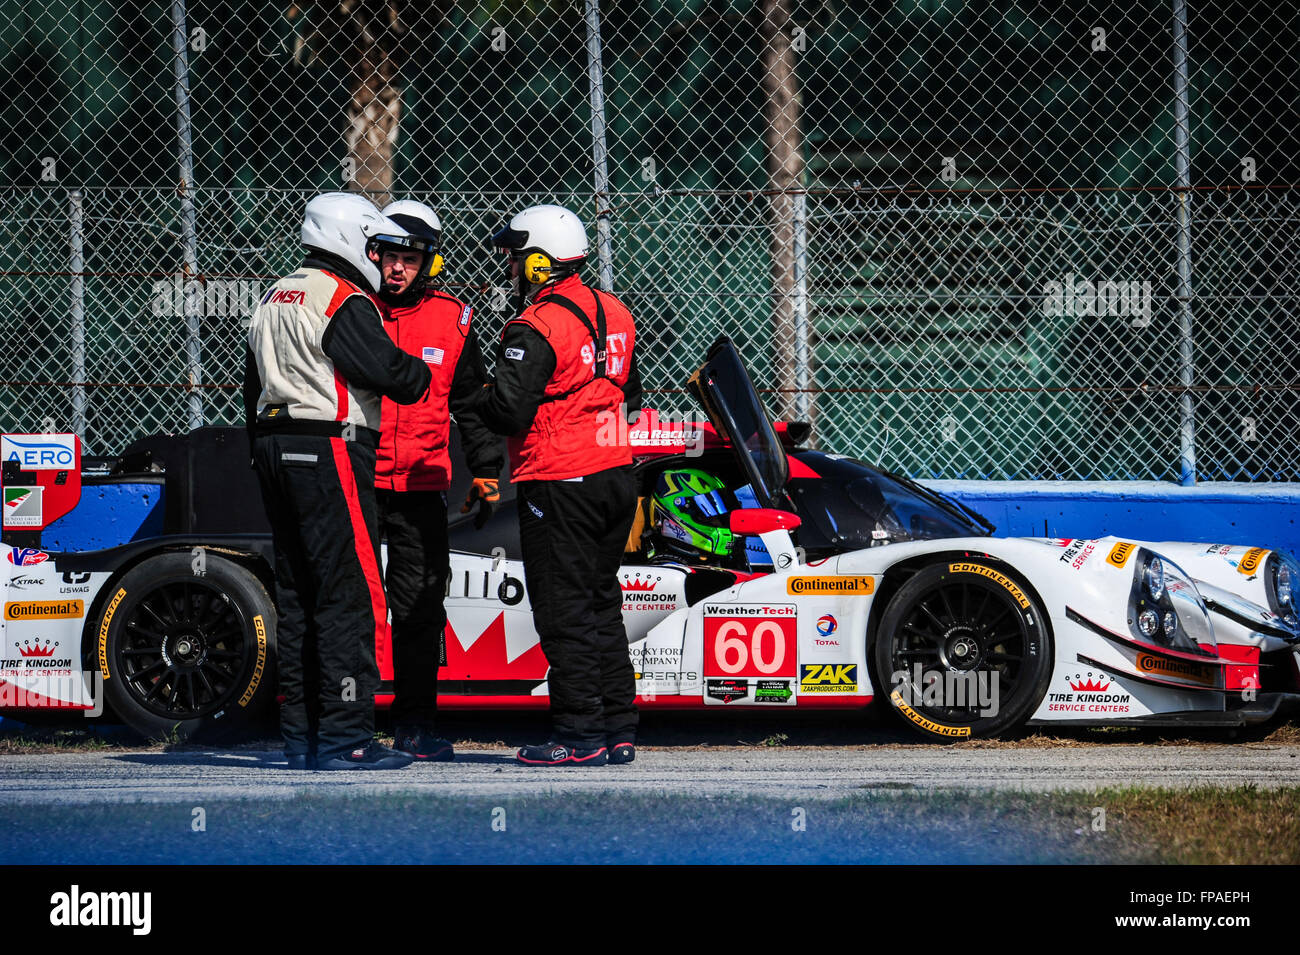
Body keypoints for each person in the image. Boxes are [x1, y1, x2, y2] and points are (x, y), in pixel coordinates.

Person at [244, 191, 432, 771]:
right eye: (375, 248)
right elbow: (392, 375)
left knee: (298, 596)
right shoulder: (344, 298)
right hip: (329, 447)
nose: (381, 261)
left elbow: (251, 386)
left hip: (271, 444)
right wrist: (421, 369)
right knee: (347, 595)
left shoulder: (272, 295)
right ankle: (348, 737)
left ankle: (302, 737)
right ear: (350, 239)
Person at [473, 204, 642, 766]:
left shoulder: (534, 324)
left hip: (559, 478)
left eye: (519, 256)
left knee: (563, 608)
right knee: (599, 601)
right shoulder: (615, 310)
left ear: (541, 262)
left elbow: (508, 413)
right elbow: (630, 396)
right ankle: (618, 729)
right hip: (617, 473)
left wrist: (468, 390)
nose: (513, 265)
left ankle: (578, 735)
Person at [371, 199, 503, 761]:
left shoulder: (455, 318)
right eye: (389, 256)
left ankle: (414, 726)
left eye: (410, 258)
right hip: (358, 477)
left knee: (420, 606)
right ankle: (343, 723)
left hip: (423, 484)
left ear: (429, 262)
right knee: (349, 601)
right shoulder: (353, 306)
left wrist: (488, 471)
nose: (397, 268)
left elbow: (472, 403)